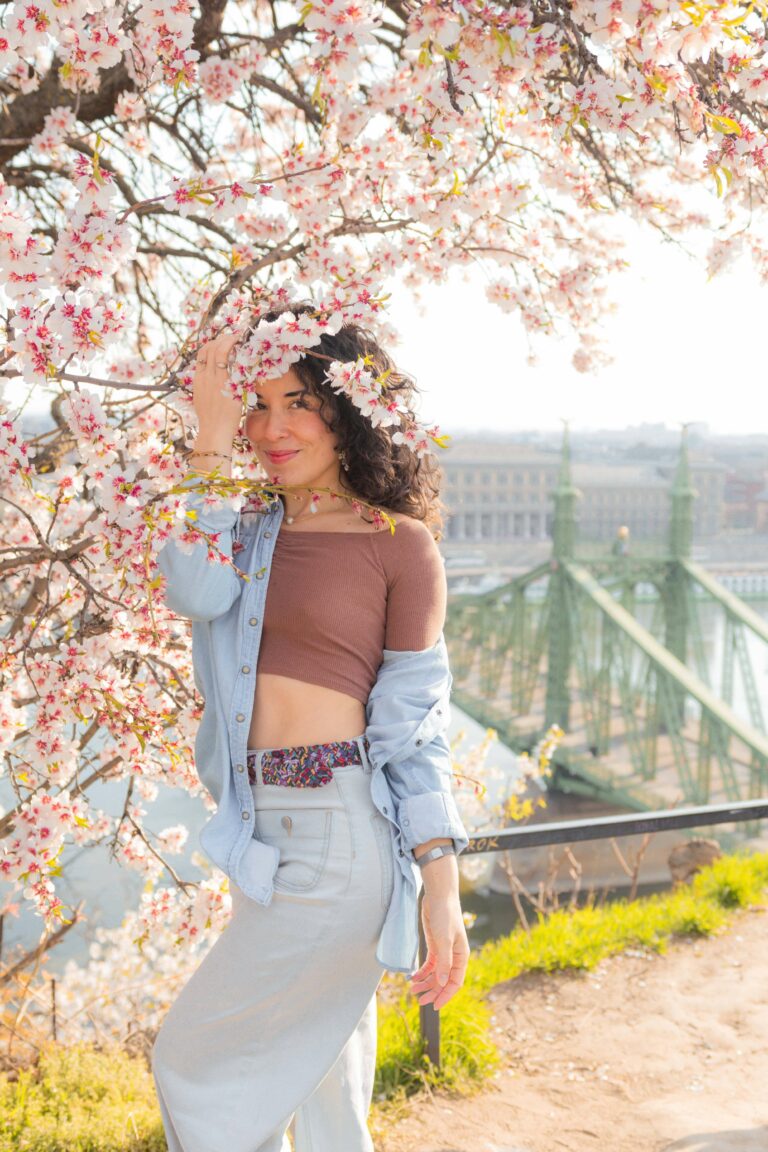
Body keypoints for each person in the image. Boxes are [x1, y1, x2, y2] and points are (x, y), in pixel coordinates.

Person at [150, 305, 470, 1152]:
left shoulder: (399, 547)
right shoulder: (240, 531)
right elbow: (194, 590)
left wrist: (441, 882)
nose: (270, 427)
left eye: (297, 403)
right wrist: (209, 444)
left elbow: (414, 731)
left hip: (340, 833)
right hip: (257, 837)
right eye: (255, 405)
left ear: (347, 411)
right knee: (325, 1094)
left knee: (191, 1058)